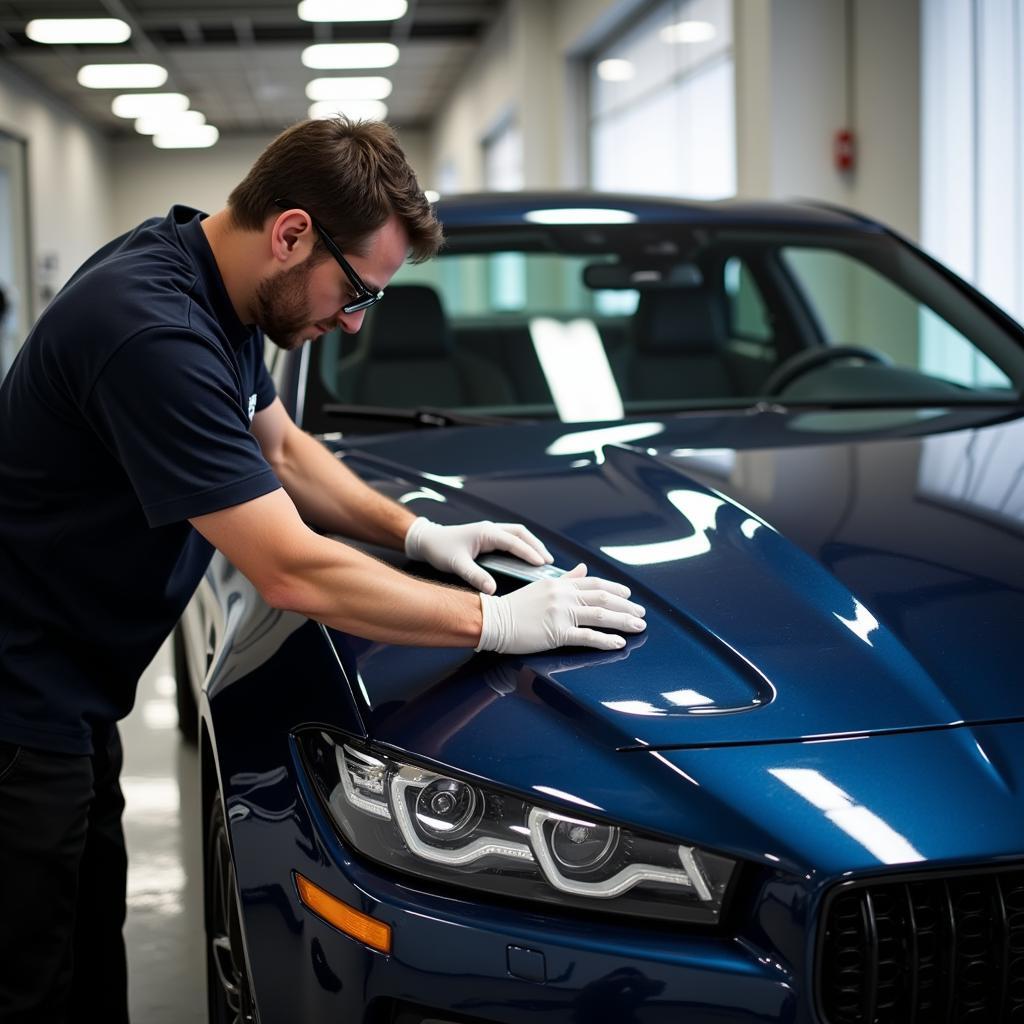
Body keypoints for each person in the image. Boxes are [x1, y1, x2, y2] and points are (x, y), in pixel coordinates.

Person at [0, 117, 646, 1022]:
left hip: (67, 689)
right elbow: (293, 572)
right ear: (292, 232)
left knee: (83, 954)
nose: (349, 321)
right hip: (19, 707)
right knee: (30, 981)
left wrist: (422, 533)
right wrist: (494, 622)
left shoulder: (209, 277)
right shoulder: (149, 329)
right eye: (356, 294)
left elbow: (287, 452)